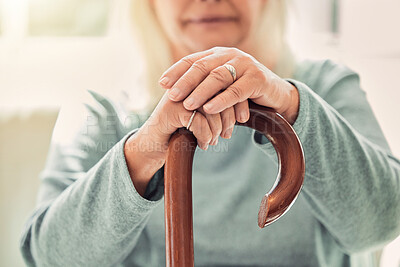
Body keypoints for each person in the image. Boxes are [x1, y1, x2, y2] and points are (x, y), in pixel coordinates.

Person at [20, 0, 400, 266]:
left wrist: (287, 102)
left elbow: (381, 223)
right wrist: (145, 149)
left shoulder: (326, 86)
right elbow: (50, 256)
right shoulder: (101, 109)